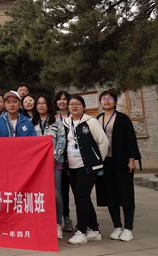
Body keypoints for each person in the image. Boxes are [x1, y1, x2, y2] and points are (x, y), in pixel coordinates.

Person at [95, 90, 141, 242]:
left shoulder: (122, 118)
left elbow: (131, 140)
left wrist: (131, 159)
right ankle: (117, 226)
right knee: (110, 194)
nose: (107, 101)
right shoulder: (98, 119)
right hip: (105, 162)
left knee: (126, 193)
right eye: (104, 99)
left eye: (109, 99)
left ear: (114, 102)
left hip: (121, 162)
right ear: (100, 102)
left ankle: (128, 228)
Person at [65, 94, 109, 245]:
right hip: (72, 167)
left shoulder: (91, 121)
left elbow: (103, 142)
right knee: (82, 197)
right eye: (71, 104)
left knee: (81, 197)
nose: (74, 106)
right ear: (68, 107)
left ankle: (81, 231)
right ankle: (94, 230)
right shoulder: (66, 123)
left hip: (87, 167)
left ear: (83, 106)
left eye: (77, 104)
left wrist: (97, 161)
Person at [32, 94, 66, 239]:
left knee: (56, 193)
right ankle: (43, 223)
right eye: (38, 103)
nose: (41, 105)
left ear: (49, 105)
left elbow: (62, 140)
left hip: (54, 163)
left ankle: (57, 224)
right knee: (39, 194)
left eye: (43, 103)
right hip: (37, 164)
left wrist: (55, 157)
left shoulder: (57, 120)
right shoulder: (31, 121)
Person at [55, 90, 74, 233]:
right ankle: (64, 217)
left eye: (64, 99)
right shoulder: (53, 118)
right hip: (59, 160)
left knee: (74, 191)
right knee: (61, 190)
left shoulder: (74, 116)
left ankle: (69, 218)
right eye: (59, 99)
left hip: (74, 158)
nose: (62, 102)